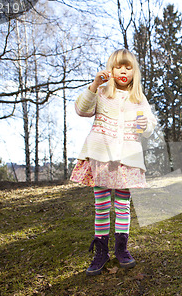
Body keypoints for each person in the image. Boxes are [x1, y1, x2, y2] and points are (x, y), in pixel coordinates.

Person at [70, 49, 157, 276]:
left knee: (122, 205)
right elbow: (81, 110)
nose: (123, 71)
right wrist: (93, 84)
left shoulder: (138, 98)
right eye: (119, 67)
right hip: (101, 156)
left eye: (128, 67)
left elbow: (149, 128)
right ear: (111, 69)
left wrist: (143, 124)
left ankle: (121, 249)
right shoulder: (101, 92)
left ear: (134, 72)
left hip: (127, 159)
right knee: (101, 205)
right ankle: (101, 251)